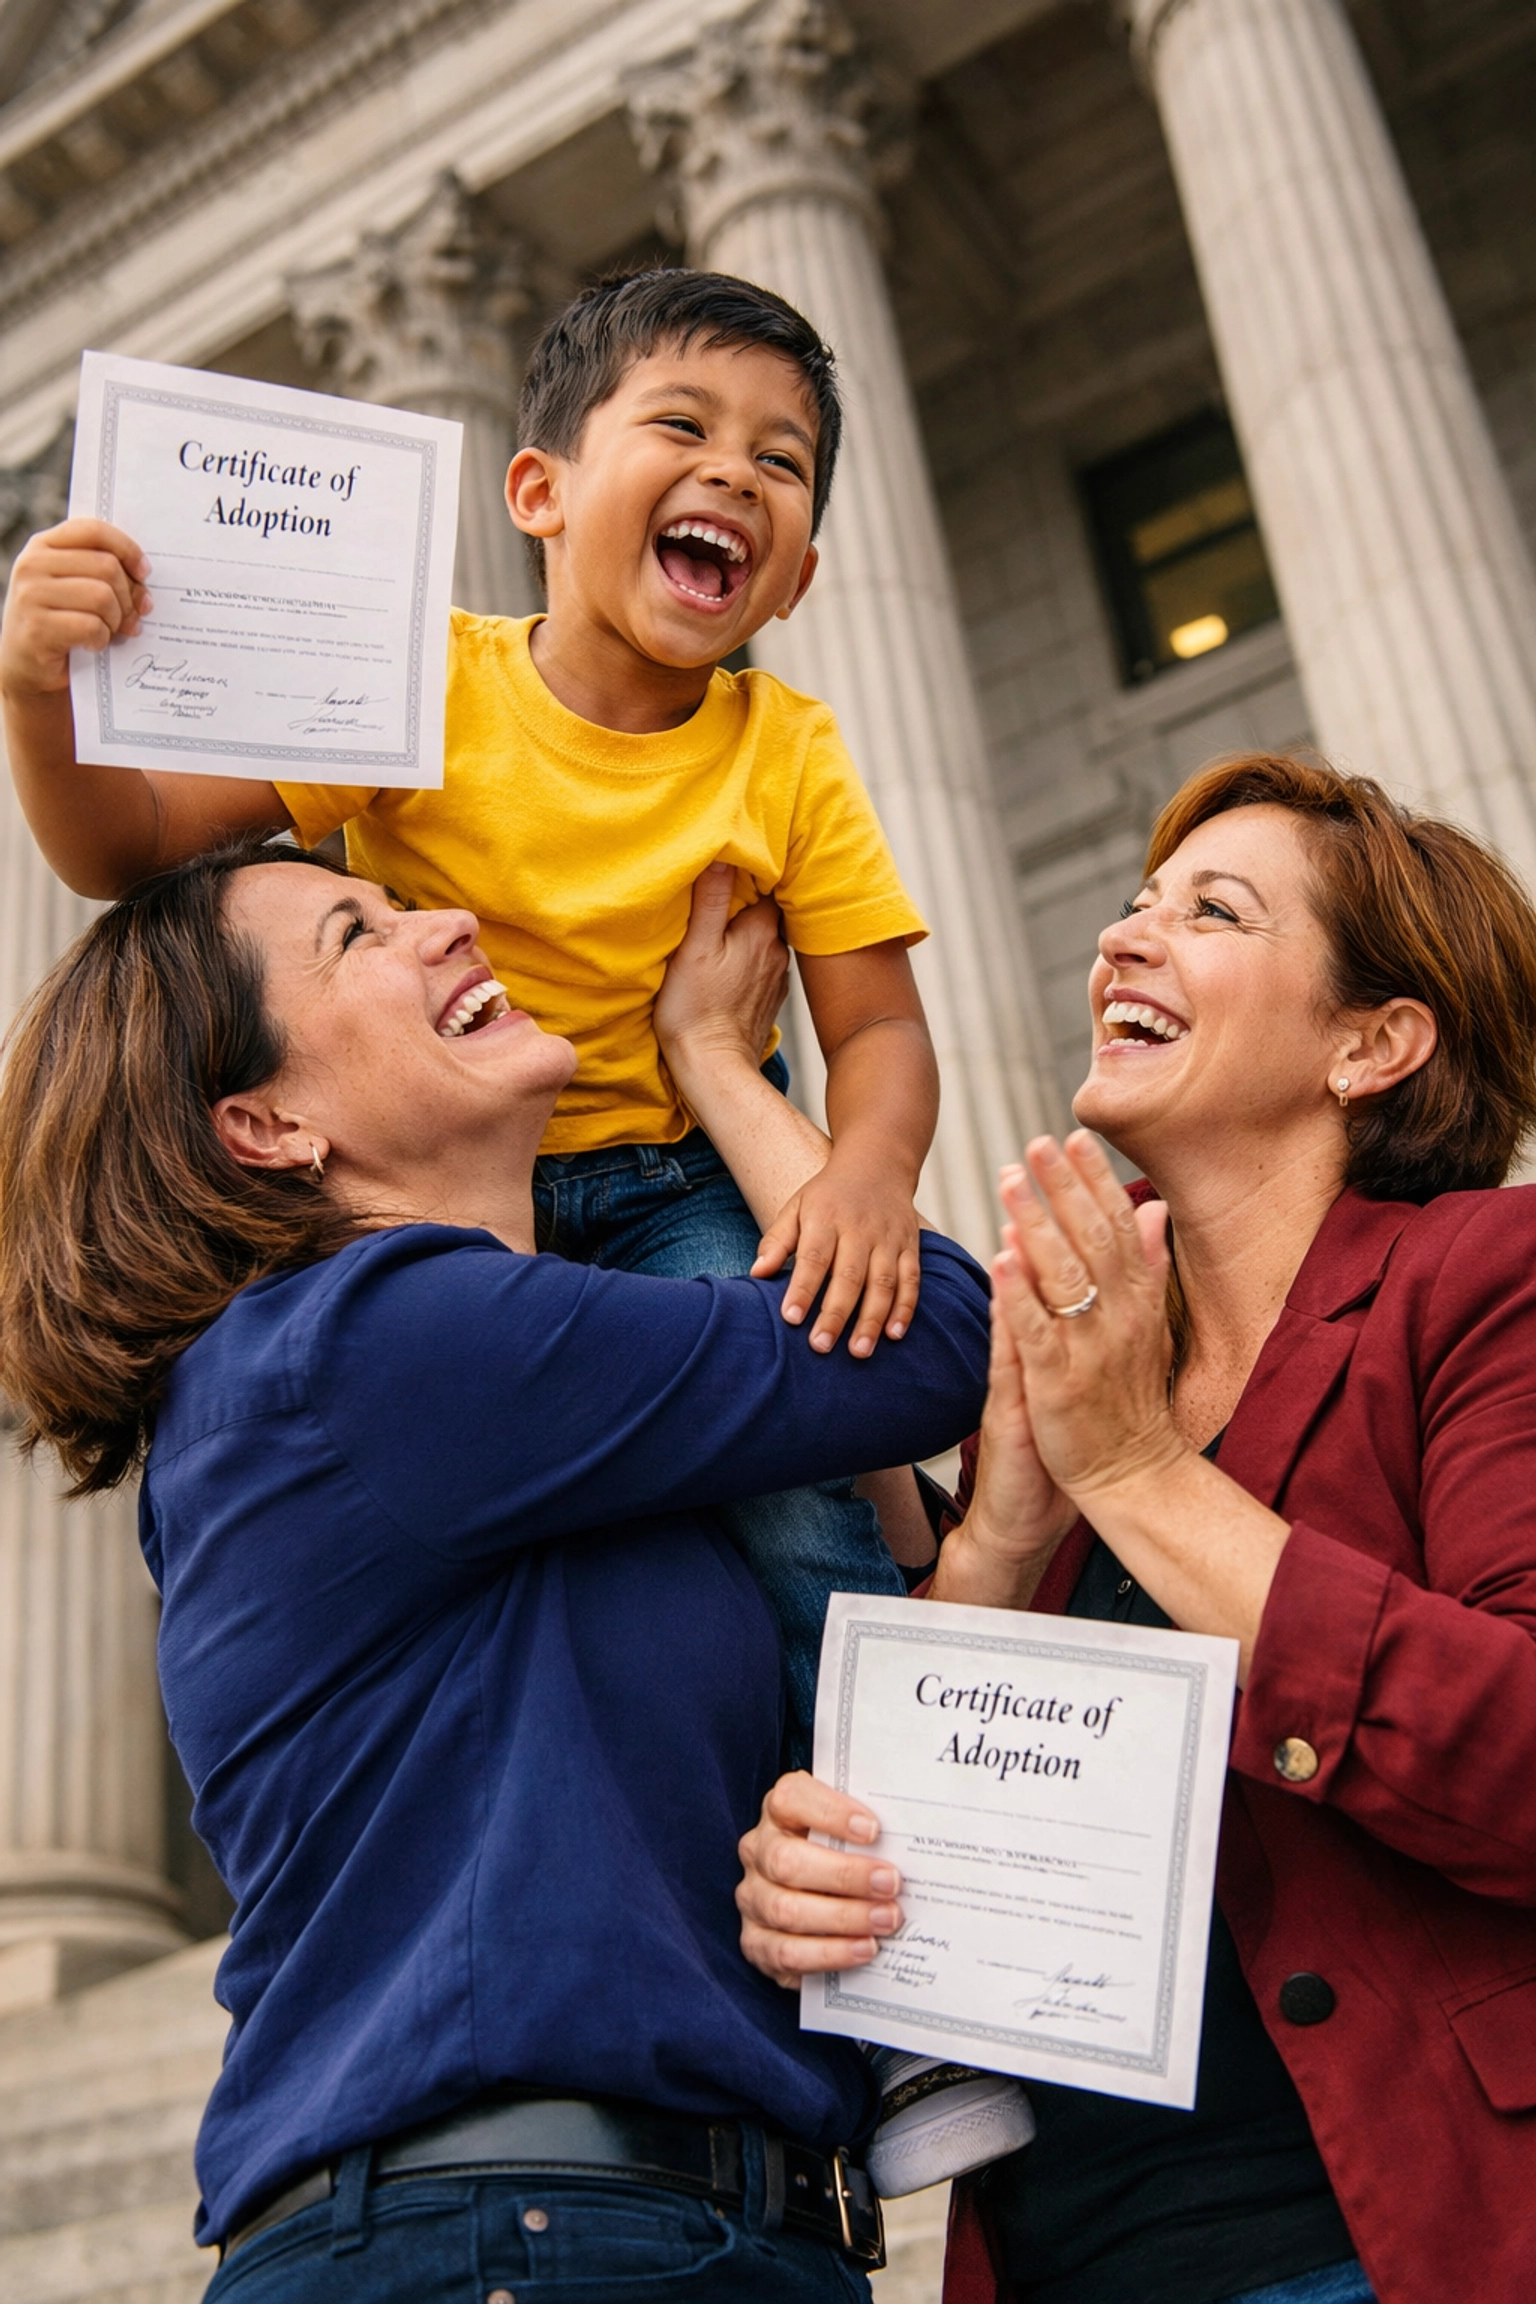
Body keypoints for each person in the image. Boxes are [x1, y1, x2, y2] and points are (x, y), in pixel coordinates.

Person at [0, 841, 990, 2299]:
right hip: (511, 2238)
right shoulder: (371, 1344)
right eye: (358, 931)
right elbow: (925, 1335)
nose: (451, 918)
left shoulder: (506, 1406)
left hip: (660, 2229)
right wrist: (717, 1064)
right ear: (265, 1124)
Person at [0, 266, 938, 1772]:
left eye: (782, 461)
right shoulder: (419, 687)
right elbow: (126, 853)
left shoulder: (792, 752)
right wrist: (39, 693)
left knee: (791, 1489)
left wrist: (870, 1177)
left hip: (671, 1183)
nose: (733, 474)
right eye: (685, 424)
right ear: (538, 492)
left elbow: (880, 1027)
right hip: (429, 1220)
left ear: (799, 578)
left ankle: (888, 1779)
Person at [734, 753, 1536, 2304]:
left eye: (1212, 911)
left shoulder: (1485, 1278)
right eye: (1130, 905)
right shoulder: (1076, 1374)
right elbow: (935, 1825)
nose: (1123, 939)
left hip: (1387, 2237)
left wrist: (1150, 1475)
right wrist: (814, 1866)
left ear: (1373, 1043)